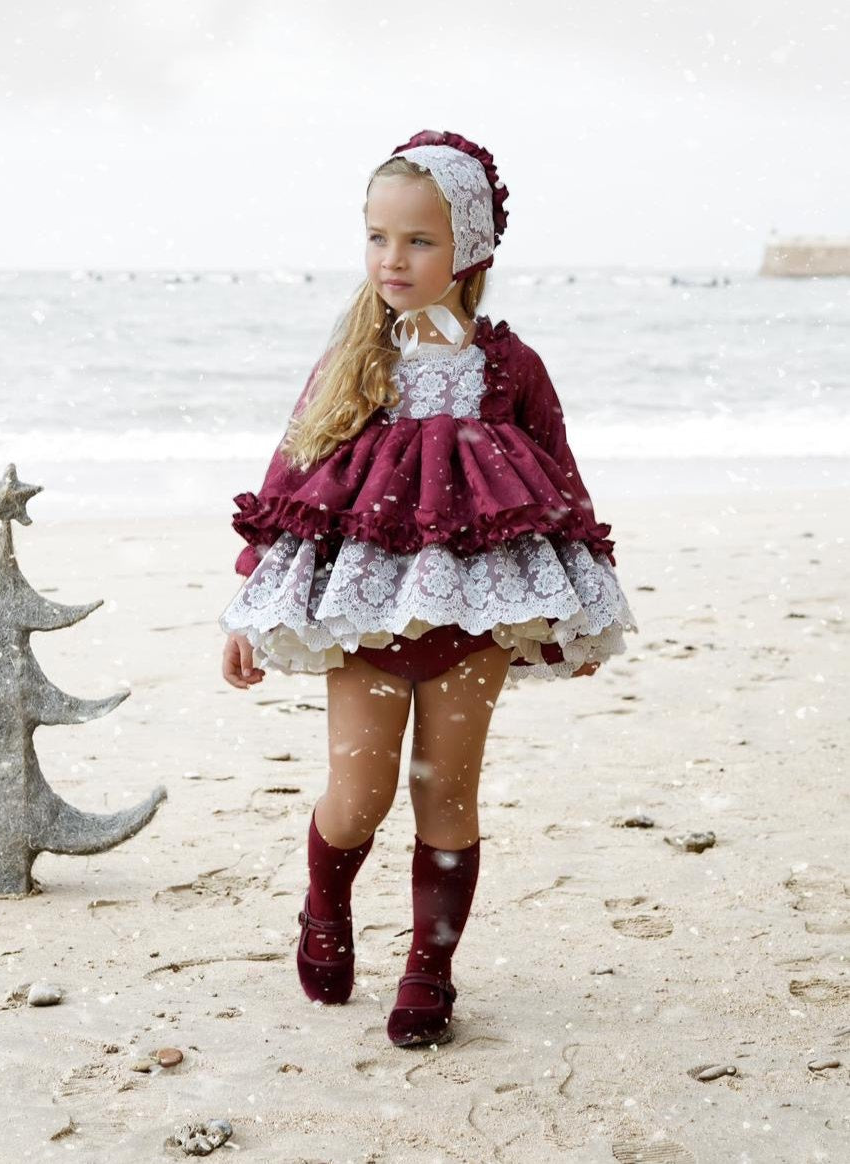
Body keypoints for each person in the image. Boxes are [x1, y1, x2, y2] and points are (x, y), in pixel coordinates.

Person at [218, 129, 638, 1049]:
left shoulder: (510, 369)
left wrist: (581, 616)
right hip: (363, 614)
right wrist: (251, 601)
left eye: (418, 240)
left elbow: (562, 487)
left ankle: (429, 966)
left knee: (448, 794)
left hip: (476, 614)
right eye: (377, 237)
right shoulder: (354, 363)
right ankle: (324, 908)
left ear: (471, 249)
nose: (392, 259)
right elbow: (290, 483)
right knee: (360, 796)